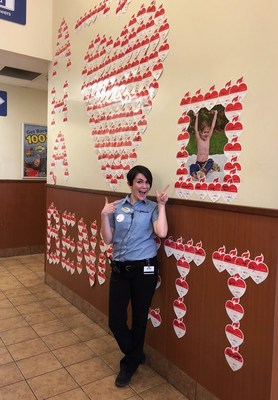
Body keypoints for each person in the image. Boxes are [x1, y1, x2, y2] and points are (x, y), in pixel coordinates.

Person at [100, 165, 169, 388]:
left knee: (140, 316)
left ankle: (128, 364)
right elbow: (108, 240)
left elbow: (161, 232)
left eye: (147, 182)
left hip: (145, 268)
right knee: (116, 320)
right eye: (139, 181)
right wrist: (103, 216)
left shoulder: (151, 207)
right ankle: (135, 354)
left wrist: (161, 205)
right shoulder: (116, 207)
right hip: (120, 268)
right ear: (130, 183)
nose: (144, 186)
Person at [189, 109, 218, 180]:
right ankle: (194, 175)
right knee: (192, 166)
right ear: (200, 133)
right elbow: (195, 129)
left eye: (208, 132)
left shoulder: (208, 139)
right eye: (204, 132)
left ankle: (203, 172)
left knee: (210, 161)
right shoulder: (199, 140)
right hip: (198, 164)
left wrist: (215, 114)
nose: (207, 134)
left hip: (205, 163)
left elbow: (212, 126)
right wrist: (196, 117)